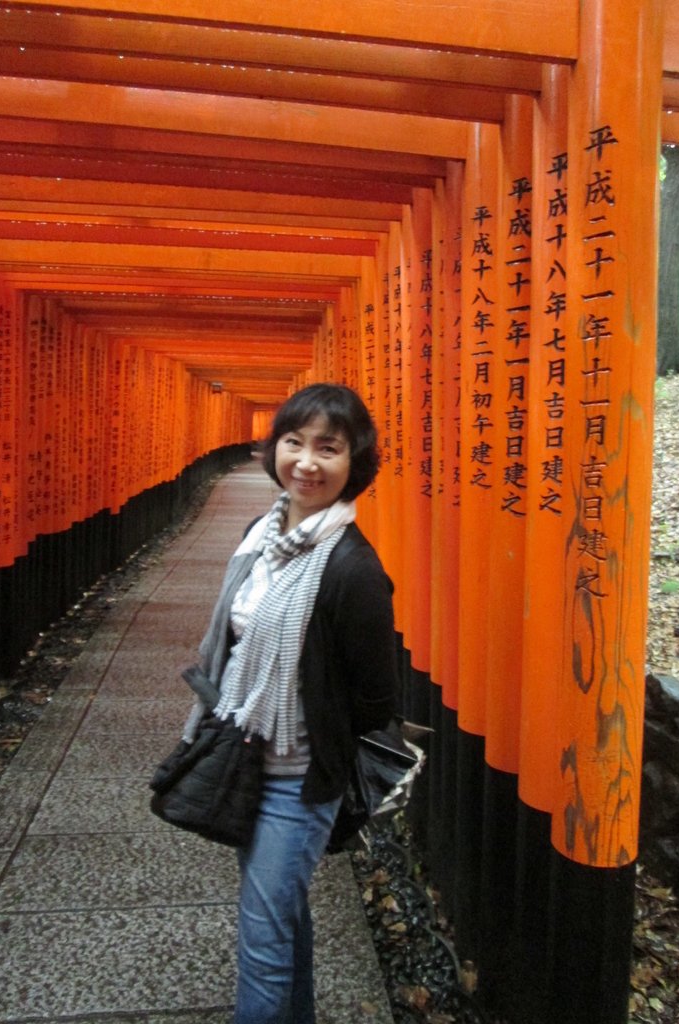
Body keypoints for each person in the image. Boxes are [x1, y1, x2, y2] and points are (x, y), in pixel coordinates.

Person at [183, 382, 399, 1024]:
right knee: (281, 912)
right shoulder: (262, 533)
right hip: (249, 751)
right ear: (274, 446)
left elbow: (375, 700)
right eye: (294, 441)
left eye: (327, 447)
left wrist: (304, 727)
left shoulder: (354, 571)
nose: (306, 461)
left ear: (353, 462)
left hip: (300, 778)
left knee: (263, 933)